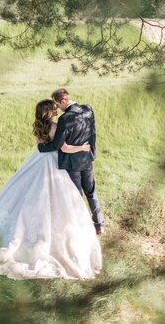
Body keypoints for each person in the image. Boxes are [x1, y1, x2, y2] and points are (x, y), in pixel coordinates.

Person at [0, 99, 102, 279]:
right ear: (48, 112)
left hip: (37, 160)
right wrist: (82, 147)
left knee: (27, 192)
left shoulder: (38, 126)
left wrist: (45, 146)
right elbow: (62, 147)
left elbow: (41, 146)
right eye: (53, 110)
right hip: (52, 163)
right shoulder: (55, 127)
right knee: (54, 196)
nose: (56, 111)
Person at [38, 88, 104, 234]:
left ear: (63, 101)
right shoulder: (88, 109)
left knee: (76, 195)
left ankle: (82, 226)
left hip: (71, 162)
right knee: (91, 192)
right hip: (87, 158)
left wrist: (40, 149)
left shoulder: (65, 119)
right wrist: (91, 152)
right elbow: (92, 133)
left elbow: (56, 145)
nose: (57, 108)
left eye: (57, 105)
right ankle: (100, 224)